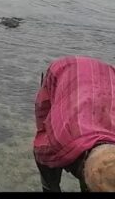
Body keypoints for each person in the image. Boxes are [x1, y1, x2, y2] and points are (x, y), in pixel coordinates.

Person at [33, 55, 115, 192]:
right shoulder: (62, 138)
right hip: (65, 71)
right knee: (46, 155)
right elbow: (41, 149)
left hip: (106, 77)